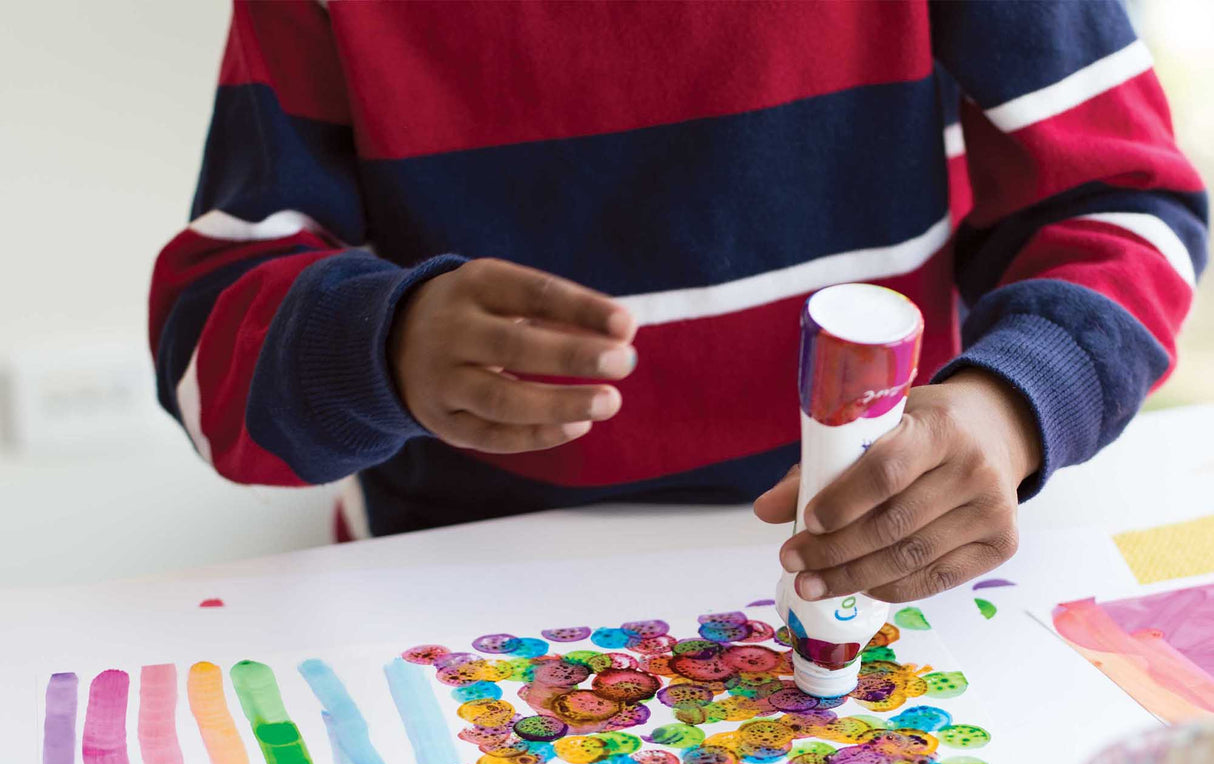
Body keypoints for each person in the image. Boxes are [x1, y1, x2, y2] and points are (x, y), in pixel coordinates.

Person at [150, 0, 1206, 603]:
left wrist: (1011, 407)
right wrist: (379, 348)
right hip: (455, 603)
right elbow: (209, 344)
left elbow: (1128, 209)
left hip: (880, 582)